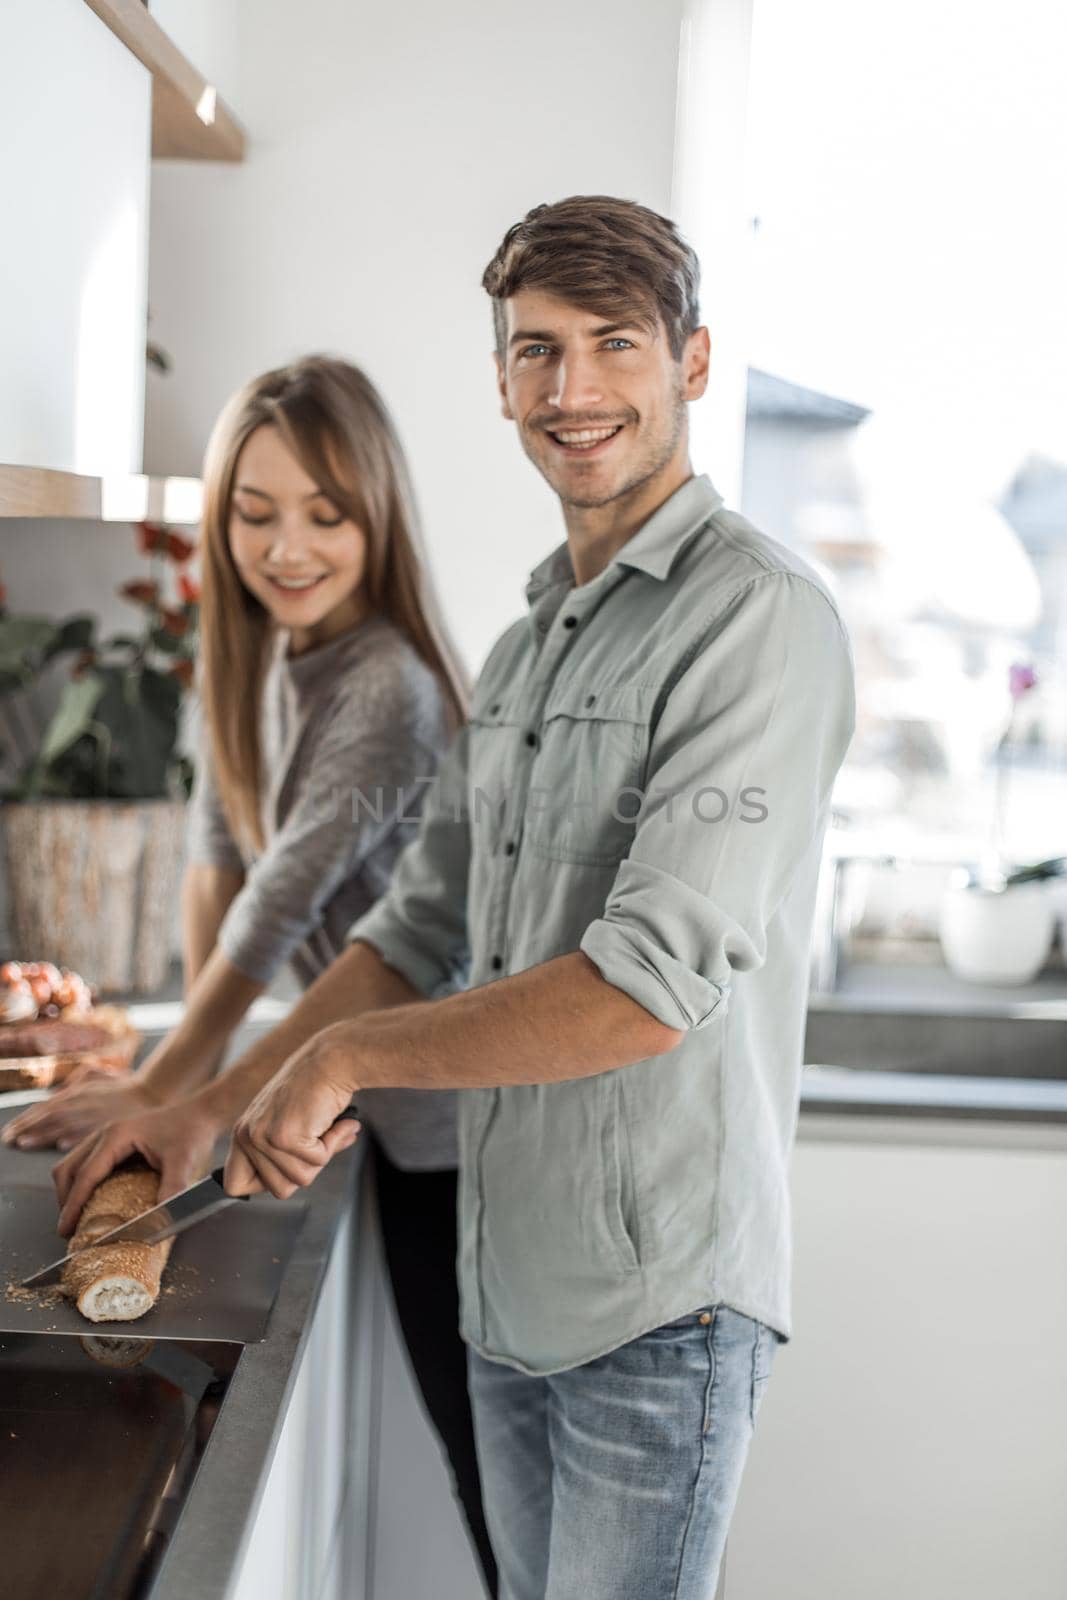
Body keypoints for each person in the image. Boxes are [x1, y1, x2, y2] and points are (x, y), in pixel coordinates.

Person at [53, 198, 856, 1600]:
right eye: (535, 350)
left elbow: (643, 988)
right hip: (506, 1280)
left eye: (614, 343)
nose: (572, 388)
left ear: (693, 361)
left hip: (655, 1308)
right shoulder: (531, 638)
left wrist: (336, 1055)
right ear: (498, 383)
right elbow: (414, 926)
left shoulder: (756, 619)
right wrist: (201, 1104)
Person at [5, 355, 498, 1598]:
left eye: (325, 514)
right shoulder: (276, 656)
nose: (287, 546)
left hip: (464, 1142)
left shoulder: (382, 681)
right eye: (254, 510)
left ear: (377, 515)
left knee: (494, 1483)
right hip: (396, 1116)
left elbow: (276, 917)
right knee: (483, 1477)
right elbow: (220, 858)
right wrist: (159, 1075)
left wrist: (168, 1092)